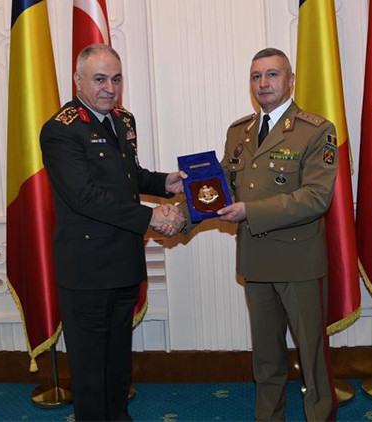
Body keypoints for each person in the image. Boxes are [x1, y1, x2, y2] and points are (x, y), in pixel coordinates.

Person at [40, 44, 185, 421]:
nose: (110, 88)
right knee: (90, 370)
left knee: (118, 363)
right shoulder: (60, 130)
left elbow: (127, 176)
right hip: (87, 270)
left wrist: (164, 183)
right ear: (78, 81)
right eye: (100, 79)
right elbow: (84, 197)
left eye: (116, 79)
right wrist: (151, 217)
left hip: (124, 261)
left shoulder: (123, 120)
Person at [212, 48, 339, 420]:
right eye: (256, 76)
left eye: (272, 75)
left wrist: (250, 212)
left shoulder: (316, 131)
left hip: (298, 262)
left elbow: (316, 198)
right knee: (266, 358)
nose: (263, 83)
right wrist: (180, 210)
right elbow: (219, 189)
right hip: (256, 260)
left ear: (290, 80)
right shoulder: (239, 132)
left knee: (312, 358)